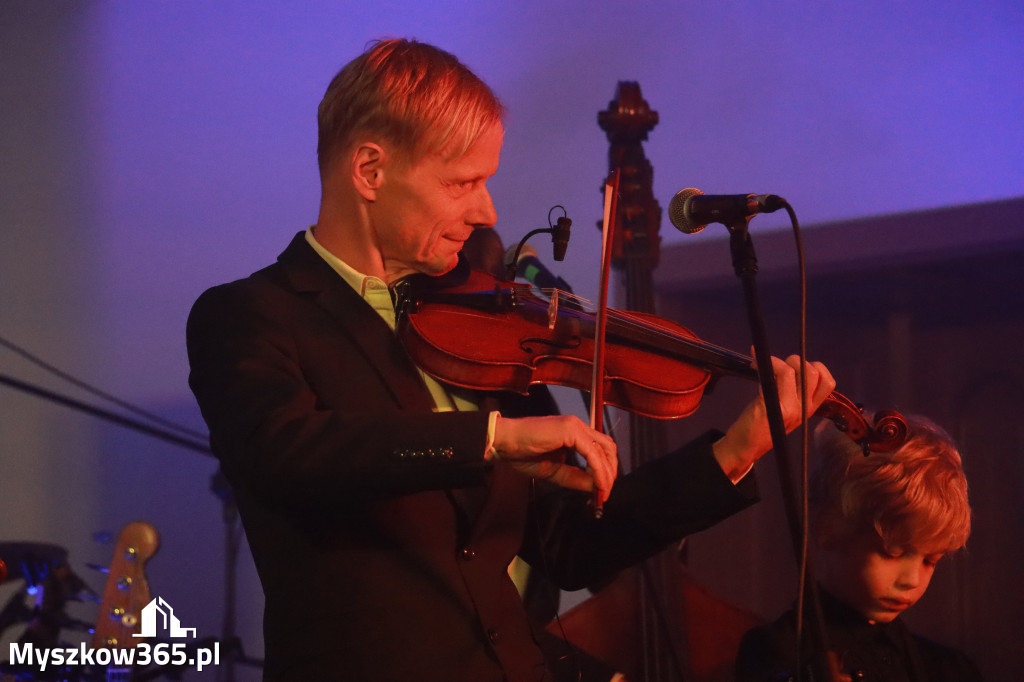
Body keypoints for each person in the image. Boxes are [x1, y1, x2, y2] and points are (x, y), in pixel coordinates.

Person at [185, 38, 836, 682]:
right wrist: (491, 438)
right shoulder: (251, 316)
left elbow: (570, 549)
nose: (487, 210)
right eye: (462, 181)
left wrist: (737, 450)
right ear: (370, 171)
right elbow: (286, 452)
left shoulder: (482, 327)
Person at [734, 415, 983, 682]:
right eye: (892, 553)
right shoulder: (777, 652)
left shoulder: (950, 669)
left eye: (929, 561)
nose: (911, 581)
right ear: (828, 528)